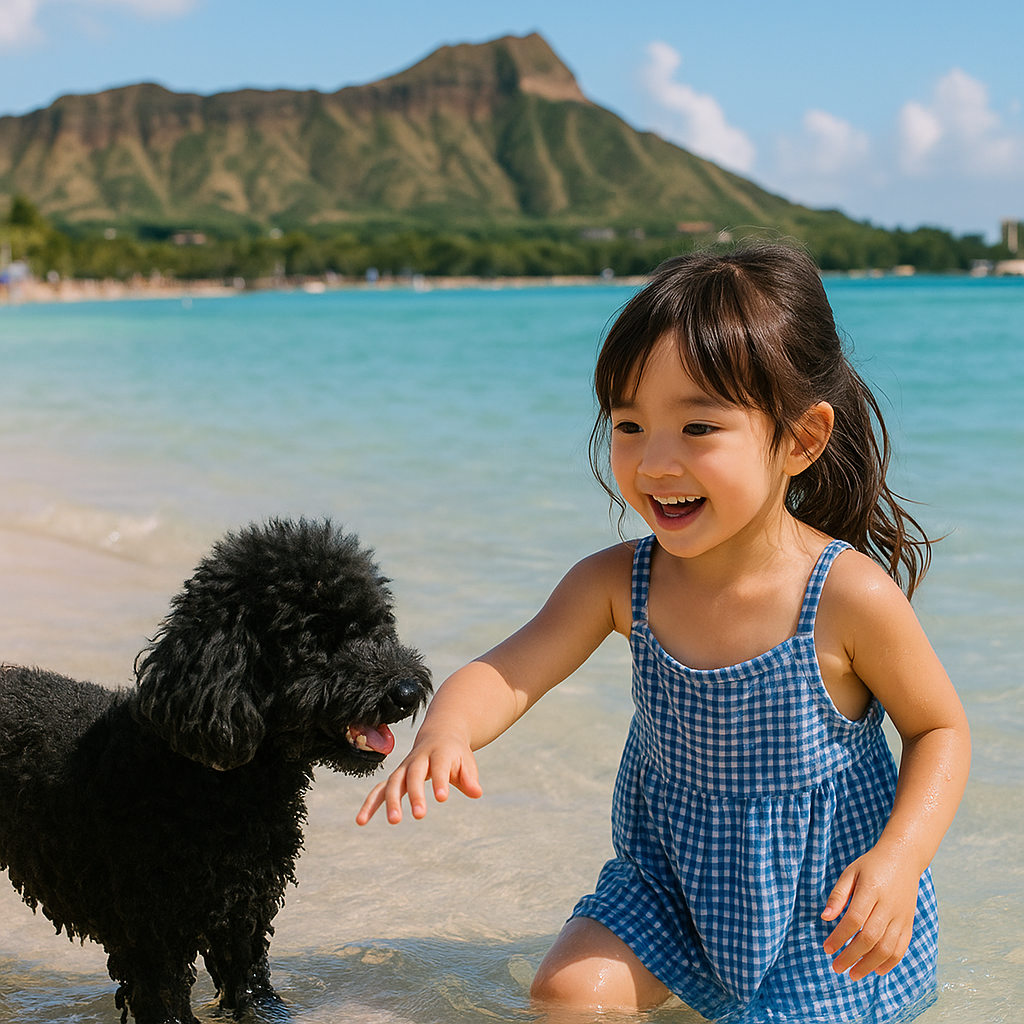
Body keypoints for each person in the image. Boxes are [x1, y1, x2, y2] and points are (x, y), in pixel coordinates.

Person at [357, 244, 971, 1023]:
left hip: (828, 910)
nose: (655, 461)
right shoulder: (619, 583)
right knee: (568, 994)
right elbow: (510, 671)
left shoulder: (846, 596)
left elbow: (940, 728)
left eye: (698, 426)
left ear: (801, 440)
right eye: (630, 424)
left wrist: (899, 860)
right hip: (668, 883)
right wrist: (448, 729)